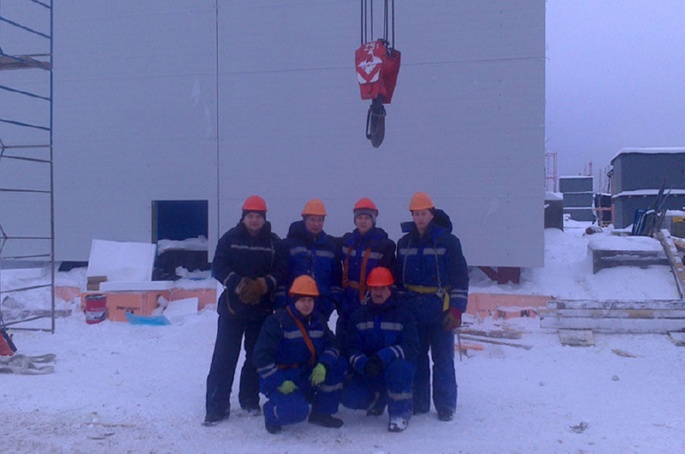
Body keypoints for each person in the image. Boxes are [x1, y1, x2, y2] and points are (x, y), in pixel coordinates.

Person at [204, 195, 288, 426]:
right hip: (232, 310)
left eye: (258, 216)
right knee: (224, 358)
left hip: (261, 310)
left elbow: (281, 270)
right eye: (250, 216)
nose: (254, 220)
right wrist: (240, 286)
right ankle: (217, 407)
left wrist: (262, 285)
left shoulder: (274, 243)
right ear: (243, 217)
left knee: (255, 357)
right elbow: (218, 267)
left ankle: (249, 399)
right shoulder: (229, 239)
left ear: (264, 218)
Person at [396, 192, 469, 422]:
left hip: (440, 310)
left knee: (443, 358)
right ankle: (419, 402)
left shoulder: (448, 242)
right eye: (416, 214)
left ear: (432, 214)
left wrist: (456, 309)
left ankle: (445, 405)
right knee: (416, 357)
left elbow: (460, 277)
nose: (420, 218)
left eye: (424, 214)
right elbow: (399, 280)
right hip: (412, 309)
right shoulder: (404, 243)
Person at [253, 275, 347, 434]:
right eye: (302, 300)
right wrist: (278, 382)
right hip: (282, 377)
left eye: (310, 300)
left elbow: (333, 344)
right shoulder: (277, 322)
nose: (306, 304)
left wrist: (324, 365)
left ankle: (321, 412)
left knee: (339, 363)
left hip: (307, 373)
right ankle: (271, 412)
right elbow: (261, 357)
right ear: (293, 299)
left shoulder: (318, 320)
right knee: (297, 412)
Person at [341, 267, 418, 432]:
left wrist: (384, 357)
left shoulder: (404, 314)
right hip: (370, 368)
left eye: (382, 288)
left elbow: (411, 346)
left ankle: (400, 414)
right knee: (350, 398)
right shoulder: (359, 315)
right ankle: (377, 399)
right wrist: (363, 363)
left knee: (399, 369)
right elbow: (351, 347)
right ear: (369, 289)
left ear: (390, 289)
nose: (378, 293)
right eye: (374, 288)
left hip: (395, 367)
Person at [337, 197, 396, 341]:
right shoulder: (347, 242)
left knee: (366, 340)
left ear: (373, 220)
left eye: (367, 218)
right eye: (360, 218)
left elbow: (392, 276)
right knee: (343, 340)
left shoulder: (383, 245)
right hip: (348, 301)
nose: (363, 221)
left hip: (371, 301)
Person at [276, 198, 342, 321]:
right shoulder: (289, 245)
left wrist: (333, 302)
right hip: (293, 306)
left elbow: (336, 279)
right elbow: (282, 276)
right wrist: (282, 303)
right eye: (312, 219)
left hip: (322, 308)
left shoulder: (330, 247)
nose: (316, 224)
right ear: (305, 219)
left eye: (320, 220)